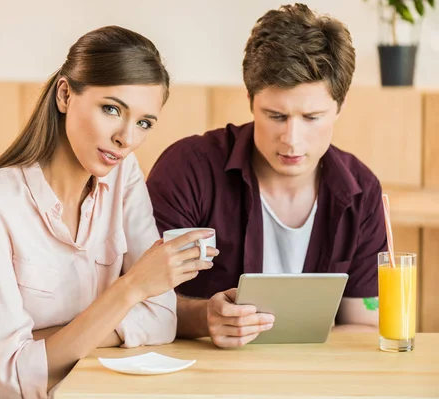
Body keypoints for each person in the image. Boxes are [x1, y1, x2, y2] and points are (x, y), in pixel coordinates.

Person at [0, 25, 216, 399]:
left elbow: (162, 319)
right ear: (64, 94)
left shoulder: (124, 174)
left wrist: (33, 343)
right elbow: (15, 378)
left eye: (143, 123)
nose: (127, 138)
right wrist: (132, 287)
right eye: (112, 109)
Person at [147, 3, 386, 348]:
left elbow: (363, 327)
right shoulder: (190, 169)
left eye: (312, 117)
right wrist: (204, 318)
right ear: (250, 99)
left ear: (340, 106)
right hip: (203, 377)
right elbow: (137, 298)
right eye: (275, 116)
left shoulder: (361, 192)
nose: (291, 139)